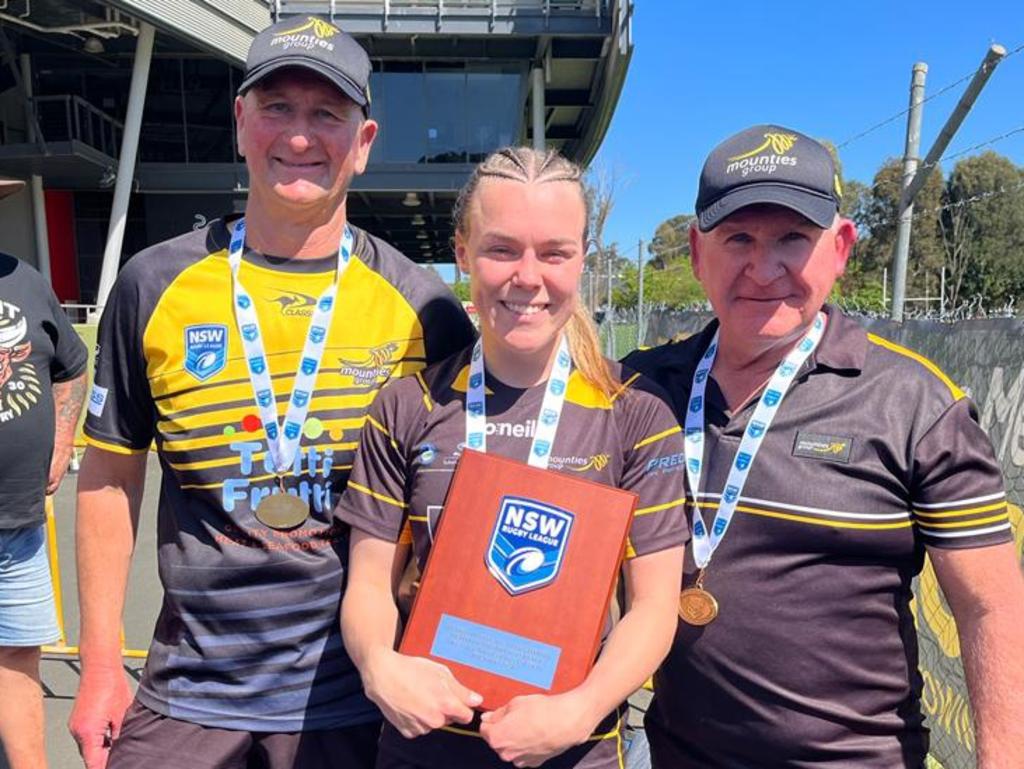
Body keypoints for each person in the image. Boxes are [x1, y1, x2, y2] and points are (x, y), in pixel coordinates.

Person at [68, 16, 475, 769]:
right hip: (186, 693)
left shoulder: (427, 308)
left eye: (327, 114)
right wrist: (97, 666)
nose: (298, 136)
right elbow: (108, 477)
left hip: (359, 696)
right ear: (240, 122)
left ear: (364, 140)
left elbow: (459, 502)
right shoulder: (153, 284)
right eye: (278, 107)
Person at [624, 124, 1024, 768]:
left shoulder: (916, 404)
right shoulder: (639, 391)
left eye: (792, 238)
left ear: (840, 249)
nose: (764, 267)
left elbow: (993, 608)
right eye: (739, 239)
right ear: (698, 253)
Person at [336, 147, 688, 769]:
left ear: (582, 258)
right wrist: (380, 666)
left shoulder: (636, 415)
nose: (529, 277)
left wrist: (579, 710)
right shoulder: (406, 406)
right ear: (464, 253)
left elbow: (655, 607)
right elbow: (369, 585)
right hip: (424, 748)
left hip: (573, 749)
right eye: (502, 250)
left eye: (554, 252)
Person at [0, 177, 89, 769]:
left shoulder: (23, 279)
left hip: (17, 526)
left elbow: (73, 365)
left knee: (17, 664)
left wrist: (61, 440)